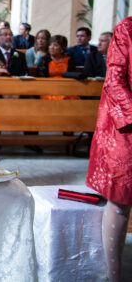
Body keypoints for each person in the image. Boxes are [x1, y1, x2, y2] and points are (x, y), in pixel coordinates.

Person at [86, 17, 132, 282]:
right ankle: (114, 276)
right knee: (120, 200)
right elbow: (114, 80)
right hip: (126, 127)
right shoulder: (127, 29)